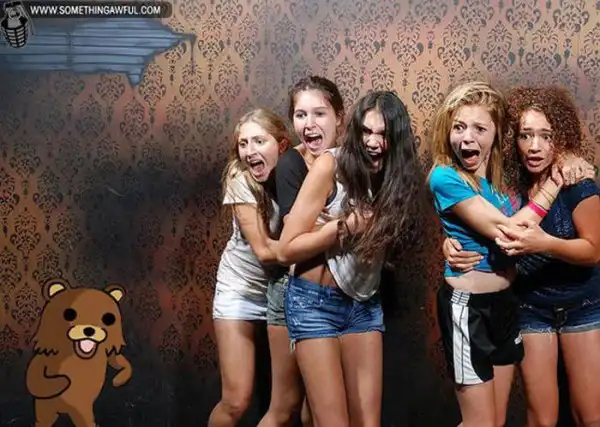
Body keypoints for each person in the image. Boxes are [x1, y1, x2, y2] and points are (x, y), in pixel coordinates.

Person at [442, 85, 599, 427]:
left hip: (582, 304)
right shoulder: (509, 185)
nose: (534, 146)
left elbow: (594, 251)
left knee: (590, 416)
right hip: (530, 306)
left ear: (562, 138)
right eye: (526, 135)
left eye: (546, 136)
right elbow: (483, 223)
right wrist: (450, 241)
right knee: (541, 418)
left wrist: (545, 243)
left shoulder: (578, 182)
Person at [277, 90, 421, 426]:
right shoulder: (331, 165)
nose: (373, 142)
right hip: (314, 304)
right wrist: (342, 227)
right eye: (366, 131)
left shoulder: (397, 181)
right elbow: (285, 249)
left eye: (383, 134)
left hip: (364, 303)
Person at [260, 75, 346, 427]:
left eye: (319, 113)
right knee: (284, 407)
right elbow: (294, 241)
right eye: (300, 115)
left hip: (342, 292)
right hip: (291, 290)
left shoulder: (347, 160)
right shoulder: (291, 165)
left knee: (315, 412)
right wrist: (342, 226)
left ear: (340, 117)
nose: (308, 124)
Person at [208, 108, 289, 427]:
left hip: (282, 295)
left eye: (259, 141)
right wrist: (323, 239)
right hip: (240, 291)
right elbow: (265, 251)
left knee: (290, 406)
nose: (249, 151)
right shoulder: (240, 178)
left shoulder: (297, 171)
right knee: (236, 401)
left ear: (281, 145)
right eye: (243, 144)